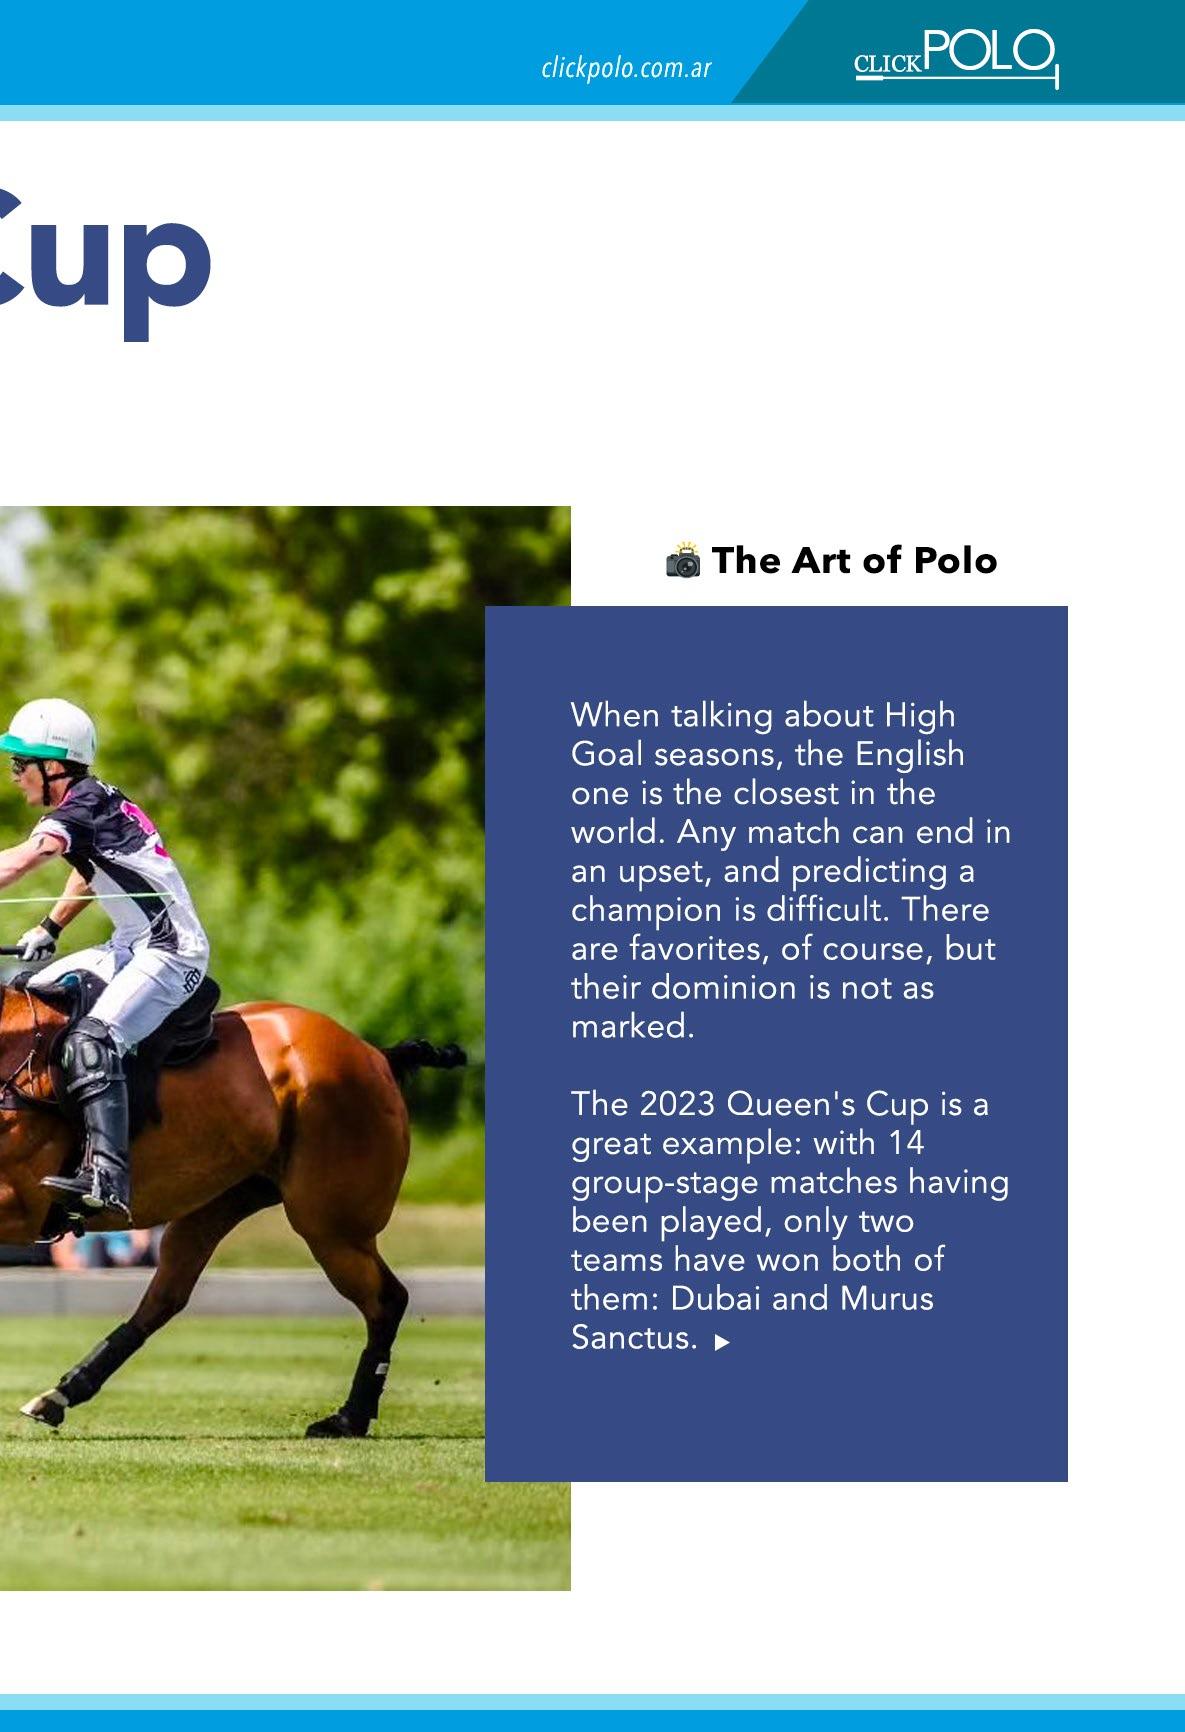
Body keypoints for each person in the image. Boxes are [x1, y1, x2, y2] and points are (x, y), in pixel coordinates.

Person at [0, 698, 210, 1223]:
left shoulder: (79, 809)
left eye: (21, 764)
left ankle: (107, 1177)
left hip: (172, 951)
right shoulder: (91, 803)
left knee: (90, 1040)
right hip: (131, 945)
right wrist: (50, 927)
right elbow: (87, 872)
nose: (15, 776)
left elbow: (26, 860)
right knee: (30, 997)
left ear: (54, 766)